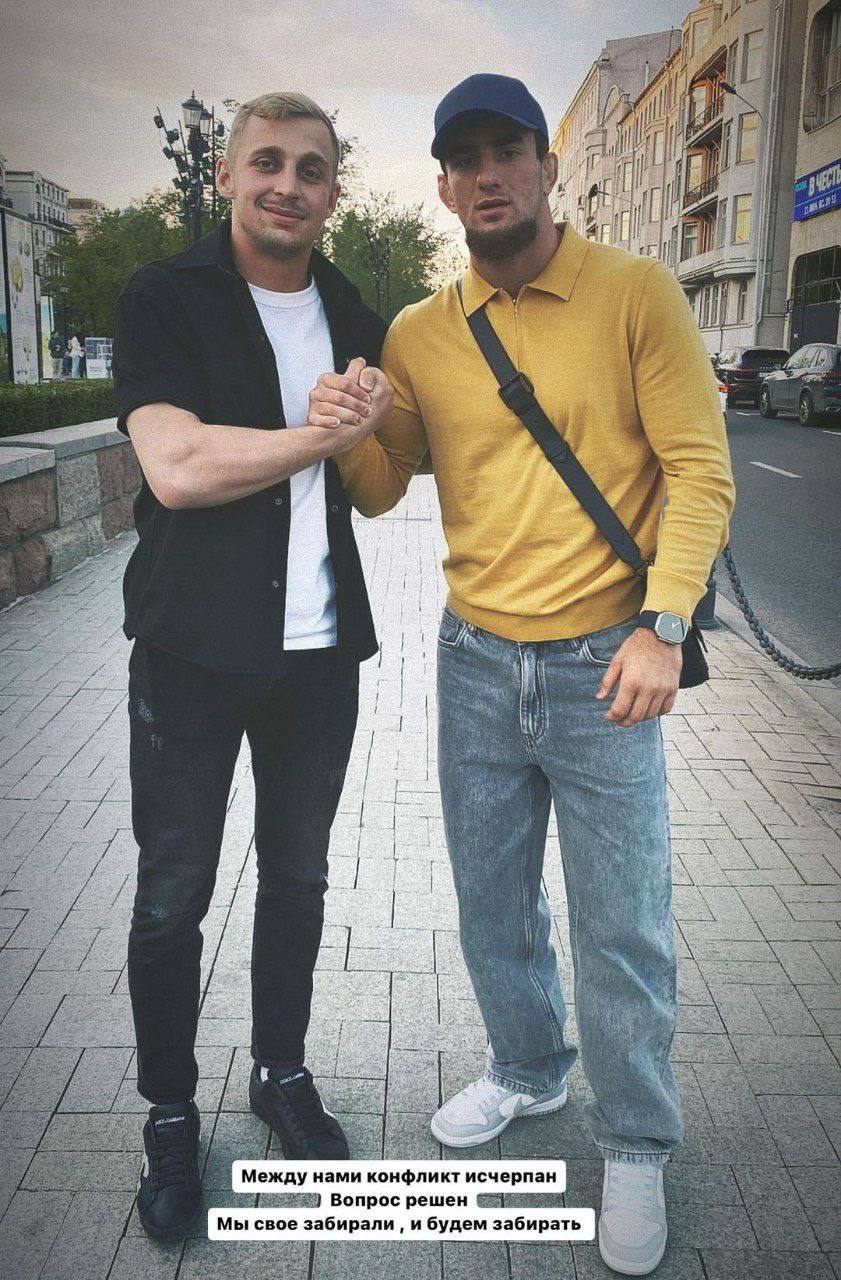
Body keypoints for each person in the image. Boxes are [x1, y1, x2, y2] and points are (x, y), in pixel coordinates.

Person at [308, 74, 735, 1277]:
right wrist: (345, 428)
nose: (486, 174)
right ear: (445, 188)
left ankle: (636, 1138)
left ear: (547, 167)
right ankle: (529, 1067)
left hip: (608, 662)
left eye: (507, 151)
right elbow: (384, 486)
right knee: (493, 901)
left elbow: (699, 470)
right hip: (474, 660)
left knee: (620, 922)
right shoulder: (418, 332)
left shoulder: (635, 292)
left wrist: (662, 625)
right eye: (464, 159)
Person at [112, 91, 392, 1241]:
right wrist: (321, 434)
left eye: (311, 169)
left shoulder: (352, 309)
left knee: (299, 880)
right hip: (189, 649)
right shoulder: (165, 295)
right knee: (174, 892)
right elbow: (177, 466)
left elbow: (375, 479)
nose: (288, 184)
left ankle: (280, 1071)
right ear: (226, 176)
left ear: (333, 194)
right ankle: (171, 1111)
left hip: (317, 656)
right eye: (267, 162)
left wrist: (374, 423)